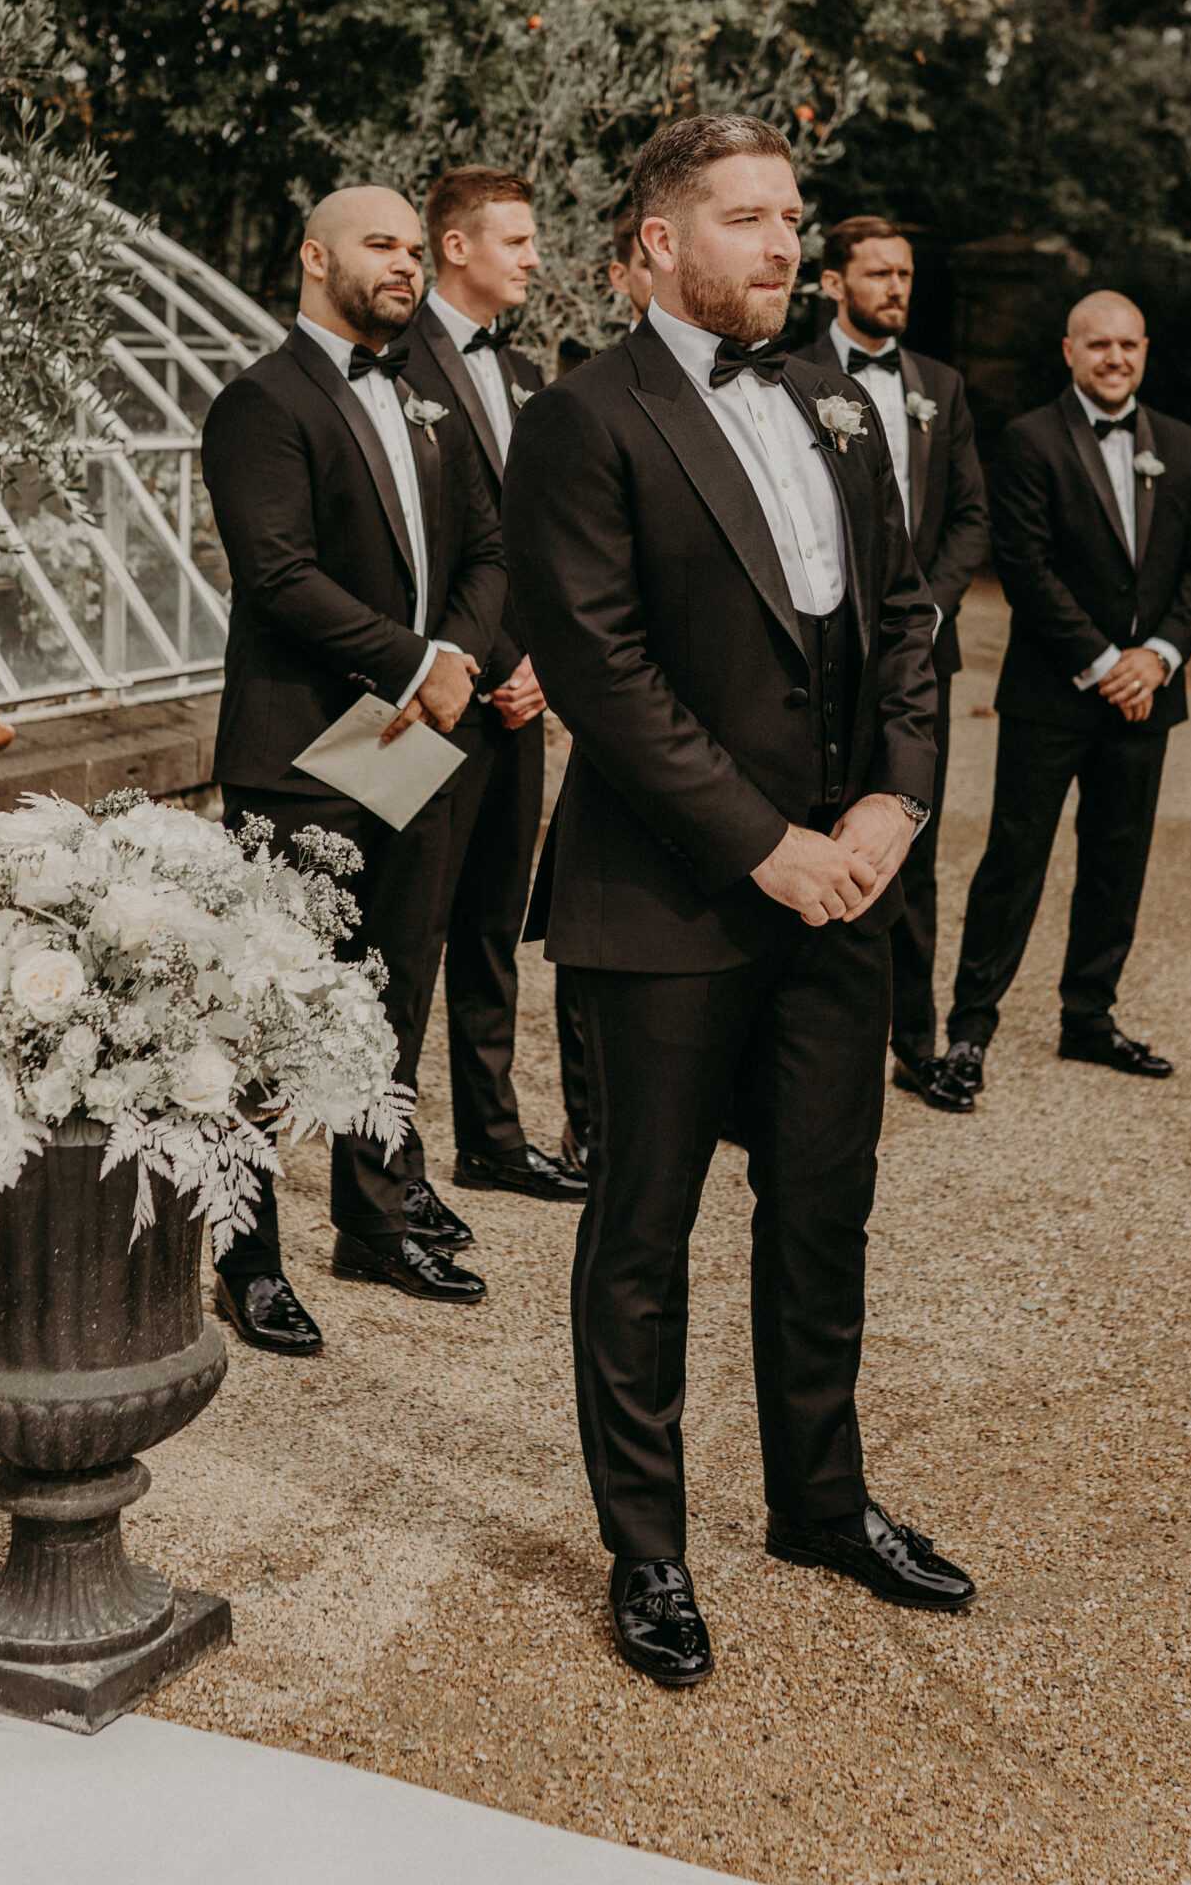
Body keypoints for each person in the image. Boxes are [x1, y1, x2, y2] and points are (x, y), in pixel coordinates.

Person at [503, 114, 974, 1692]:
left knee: (822, 1210)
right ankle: (648, 1548)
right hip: (669, 896)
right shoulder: (583, 417)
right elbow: (599, 670)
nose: (786, 245)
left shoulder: (840, 396)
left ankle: (819, 1504)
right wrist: (764, 844)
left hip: (845, 890)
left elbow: (906, 621)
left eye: (793, 217)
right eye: (748, 219)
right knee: (641, 1229)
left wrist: (891, 808)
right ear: (653, 243)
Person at [200, 186, 505, 1352]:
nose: (407, 264)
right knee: (271, 1010)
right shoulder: (260, 402)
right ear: (315, 255)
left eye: (419, 250)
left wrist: (459, 659)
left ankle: (375, 1219)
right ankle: (246, 1253)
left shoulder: (429, 399)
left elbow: (488, 545)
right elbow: (277, 575)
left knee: (392, 991)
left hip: (412, 738)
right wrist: (416, 659)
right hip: (303, 753)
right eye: (384, 244)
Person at [936, 289, 1191, 1104]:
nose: (1115, 359)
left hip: (1148, 697)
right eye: (1098, 345)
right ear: (1068, 351)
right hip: (1053, 694)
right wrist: (1104, 663)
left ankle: (1087, 1016)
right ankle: (968, 1030)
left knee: (1116, 859)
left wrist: (1158, 658)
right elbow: (1023, 568)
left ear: (1144, 350)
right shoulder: (1030, 440)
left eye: (1128, 345)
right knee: (1013, 859)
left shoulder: (1181, 445)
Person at [399, 167, 586, 1219]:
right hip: (430, 694)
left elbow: (543, 537)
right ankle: (391, 1170)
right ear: (456, 246)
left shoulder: (524, 374)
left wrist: (542, 661)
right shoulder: (393, 364)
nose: (533, 258)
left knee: (489, 927)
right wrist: (482, 659)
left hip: (520, 696)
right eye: (515, 241)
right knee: (407, 936)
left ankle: (493, 1136)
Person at [810, 217, 990, 1108]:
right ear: (833, 283)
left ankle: (913, 1042)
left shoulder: (940, 388)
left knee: (908, 834)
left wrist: (925, 608)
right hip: (817, 647)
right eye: (877, 273)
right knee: (808, 829)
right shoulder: (792, 373)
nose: (896, 288)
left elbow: (969, 519)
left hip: (921, 651)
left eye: (905, 274)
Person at [555, 193, 655, 1170]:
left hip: (499, 691)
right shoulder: (582, 396)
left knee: (491, 939)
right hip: (398, 704)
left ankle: (510, 1139)